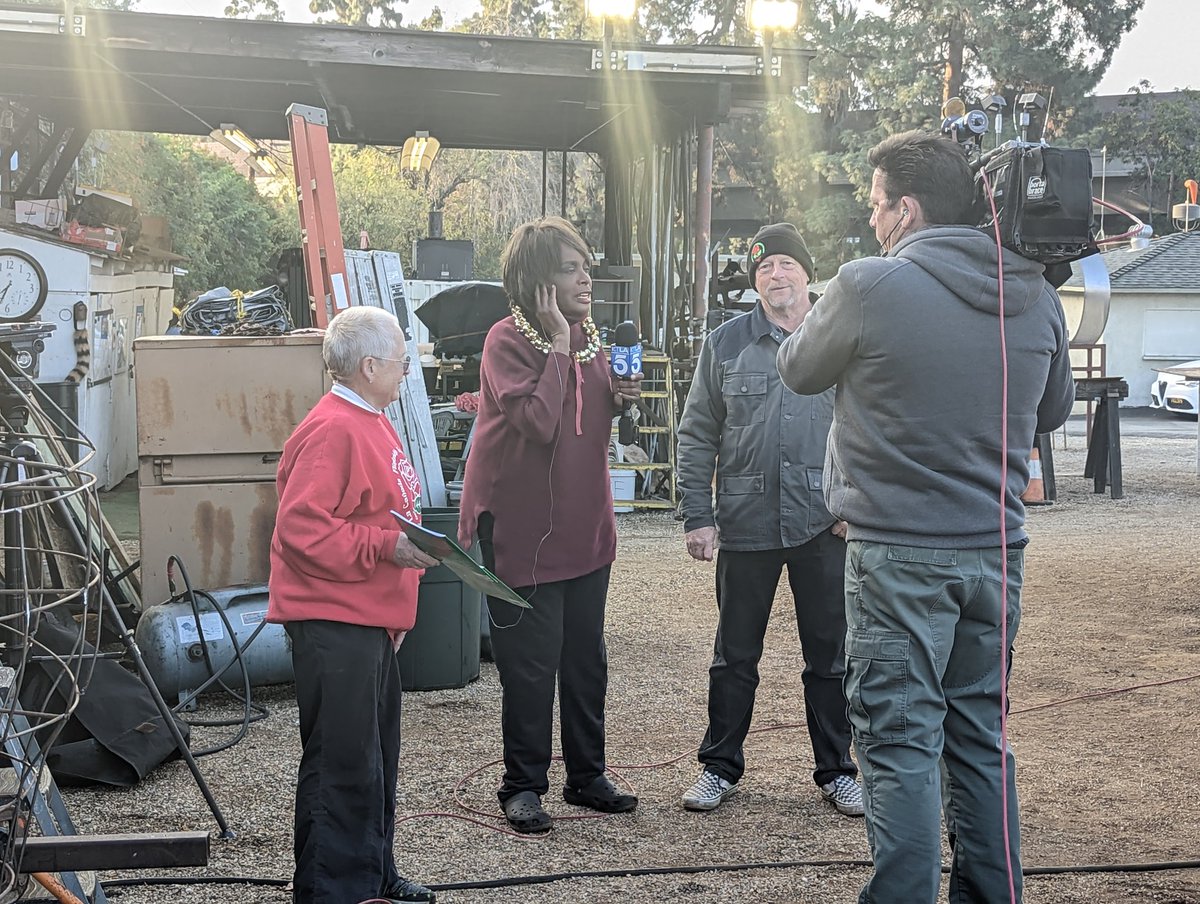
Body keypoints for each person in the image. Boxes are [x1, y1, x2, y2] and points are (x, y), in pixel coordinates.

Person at [777, 130, 1076, 903]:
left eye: (877, 206)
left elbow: (799, 369)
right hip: (998, 553)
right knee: (981, 738)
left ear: (906, 210)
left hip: (897, 558)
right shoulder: (1037, 292)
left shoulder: (869, 285)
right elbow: (1054, 409)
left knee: (899, 743)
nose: (873, 222)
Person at [456, 216, 642, 834]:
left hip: (586, 523)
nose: (586, 277)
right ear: (538, 282)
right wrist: (560, 346)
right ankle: (523, 785)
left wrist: (620, 398)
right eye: (571, 267)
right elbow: (539, 423)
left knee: (586, 658)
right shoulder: (506, 341)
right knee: (531, 664)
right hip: (522, 527)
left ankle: (586, 776)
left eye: (585, 264)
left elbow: (586, 423)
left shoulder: (589, 337)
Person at [675, 222, 862, 818]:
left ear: (808, 271)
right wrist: (697, 516)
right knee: (734, 656)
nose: (775, 276)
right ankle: (718, 768)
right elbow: (698, 431)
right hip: (746, 522)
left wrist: (856, 502)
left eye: (785, 264)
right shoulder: (725, 343)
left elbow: (873, 425)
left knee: (830, 656)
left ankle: (838, 772)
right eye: (763, 268)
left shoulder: (843, 336)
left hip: (823, 522)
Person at [267, 305, 440, 904]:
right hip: (334, 622)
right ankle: (332, 891)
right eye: (401, 360)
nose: (407, 371)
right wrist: (387, 548)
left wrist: (393, 610)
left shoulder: (368, 417)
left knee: (372, 759)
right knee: (342, 763)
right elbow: (301, 531)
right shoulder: (334, 428)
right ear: (369, 366)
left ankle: (370, 873)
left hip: (364, 621)